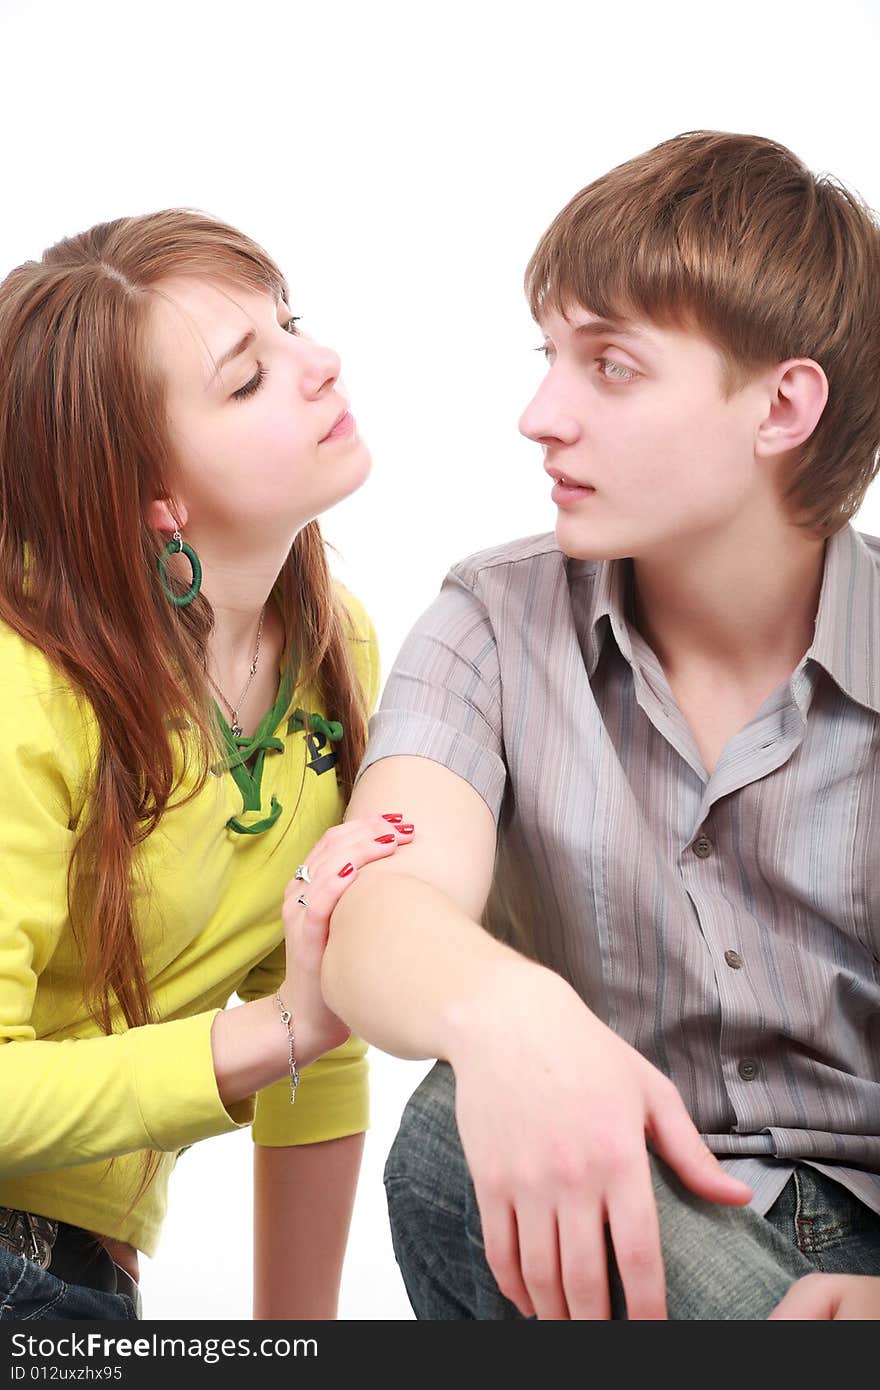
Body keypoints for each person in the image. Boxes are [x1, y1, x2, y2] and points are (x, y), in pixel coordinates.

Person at [318, 131, 880, 1319]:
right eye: (549, 355)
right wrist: (514, 1013)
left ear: (783, 404)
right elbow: (374, 905)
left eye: (610, 367)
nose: (538, 414)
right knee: (449, 1134)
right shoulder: (491, 619)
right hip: (611, 1218)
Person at [0, 210, 414, 1321]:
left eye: (291, 326)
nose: (318, 362)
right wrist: (275, 1032)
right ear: (153, 499)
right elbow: (293, 1028)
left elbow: (318, 1046)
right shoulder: (24, 685)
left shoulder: (337, 652)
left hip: (74, 1275)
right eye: (247, 380)